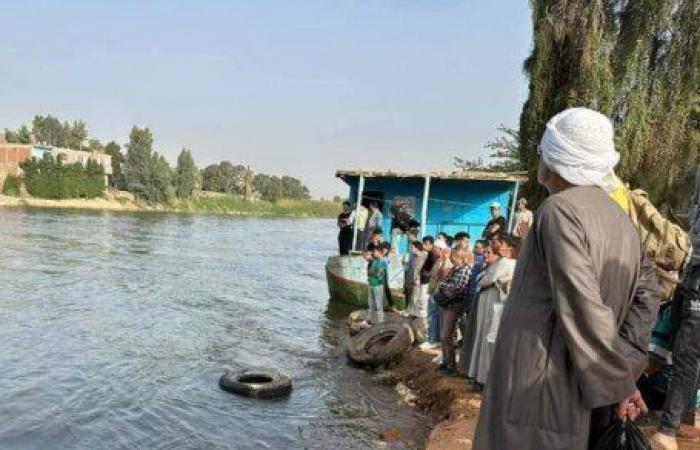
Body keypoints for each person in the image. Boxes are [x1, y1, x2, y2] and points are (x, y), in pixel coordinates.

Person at [473, 107, 659, 450]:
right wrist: (627, 368)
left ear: (558, 157)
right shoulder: (622, 222)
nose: (540, 157)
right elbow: (647, 297)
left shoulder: (557, 212)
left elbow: (582, 304)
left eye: (544, 149)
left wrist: (620, 381)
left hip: (539, 394)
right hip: (586, 389)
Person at [650, 169, 700, 450]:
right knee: (685, 349)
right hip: (690, 271)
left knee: (686, 353)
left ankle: (668, 430)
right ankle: (684, 419)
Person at [465, 238, 516, 386]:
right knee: (482, 339)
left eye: (489, 252)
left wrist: (495, 280)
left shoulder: (507, 263)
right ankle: (479, 376)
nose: (485, 255)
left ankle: (486, 379)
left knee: (490, 341)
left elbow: (486, 281)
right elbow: (481, 280)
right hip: (488, 306)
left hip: (496, 307)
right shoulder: (492, 265)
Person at [434, 249, 471, 376]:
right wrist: (445, 287)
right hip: (446, 304)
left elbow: (458, 288)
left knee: (446, 335)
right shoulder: (454, 269)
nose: (450, 258)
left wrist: (445, 287)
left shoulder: (464, 270)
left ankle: (451, 365)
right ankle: (446, 362)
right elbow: (442, 282)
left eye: (452, 256)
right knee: (443, 335)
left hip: (454, 305)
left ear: (459, 257)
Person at [420, 240, 452, 351]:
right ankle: (435, 339)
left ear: (441, 250)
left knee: (433, 317)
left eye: (435, 249)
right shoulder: (438, 260)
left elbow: (442, 275)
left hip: (439, 293)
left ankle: (432, 340)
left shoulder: (446, 261)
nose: (433, 251)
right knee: (435, 317)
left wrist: (446, 258)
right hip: (435, 292)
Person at [364, 241, 391, 326]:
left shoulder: (383, 262)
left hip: (378, 285)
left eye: (375, 251)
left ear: (379, 252)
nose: (373, 253)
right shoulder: (374, 260)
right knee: (370, 304)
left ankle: (380, 322)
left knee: (379, 305)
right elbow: (371, 271)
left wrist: (373, 273)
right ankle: (369, 320)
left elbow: (380, 275)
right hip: (371, 284)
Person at [407, 240, 428, 319]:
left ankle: (415, 314)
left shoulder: (424, 256)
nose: (411, 249)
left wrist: (419, 278)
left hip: (420, 280)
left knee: (417, 297)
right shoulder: (414, 257)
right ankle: (413, 313)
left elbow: (425, 269)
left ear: (417, 248)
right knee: (414, 296)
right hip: (413, 279)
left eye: (412, 247)